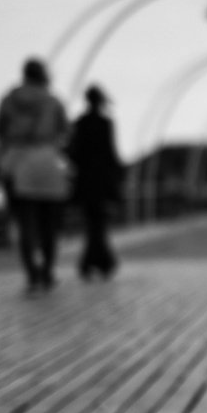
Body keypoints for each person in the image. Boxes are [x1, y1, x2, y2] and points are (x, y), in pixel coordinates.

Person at [0, 57, 71, 291]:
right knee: (49, 224)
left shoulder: (9, 100)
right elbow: (65, 133)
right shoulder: (53, 101)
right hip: (47, 162)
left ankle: (32, 273)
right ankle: (47, 270)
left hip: (18, 163)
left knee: (25, 222)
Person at [68, 84, 124, 280]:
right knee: (99, 222)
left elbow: (72, 152)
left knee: (93, 222)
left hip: (85, 181)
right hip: (101, 181)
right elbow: (111, 153)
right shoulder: (105, 123)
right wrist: (118, 177)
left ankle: (93, 262)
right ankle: (101, 262)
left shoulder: (79, 123)